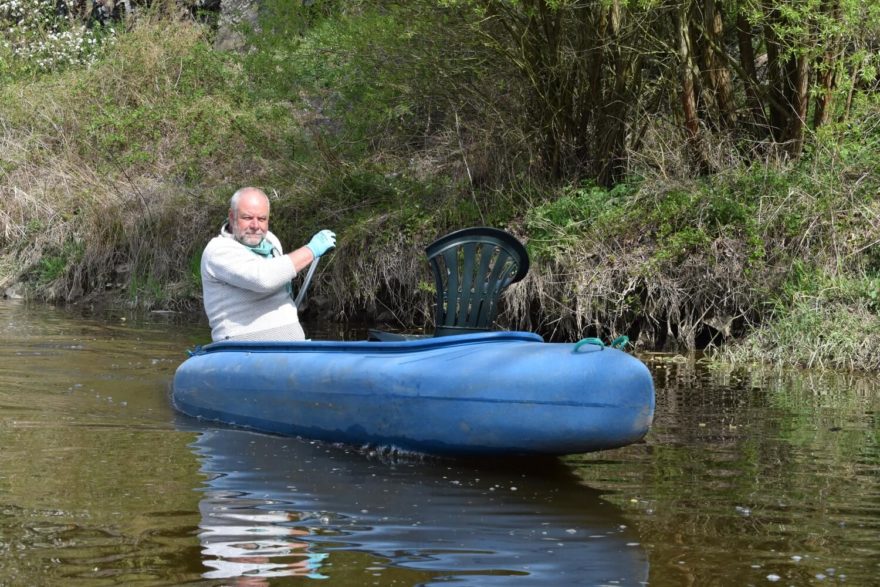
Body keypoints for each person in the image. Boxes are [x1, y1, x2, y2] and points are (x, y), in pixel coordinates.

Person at [200, 187, 336, 342]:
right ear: (232, 217)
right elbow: (263, 279)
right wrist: (312, 250)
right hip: (239, 352)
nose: (255, 225)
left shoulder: (271, 241)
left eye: (262, 219)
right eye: (247, 217)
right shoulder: (218, 250)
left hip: (292, 350)